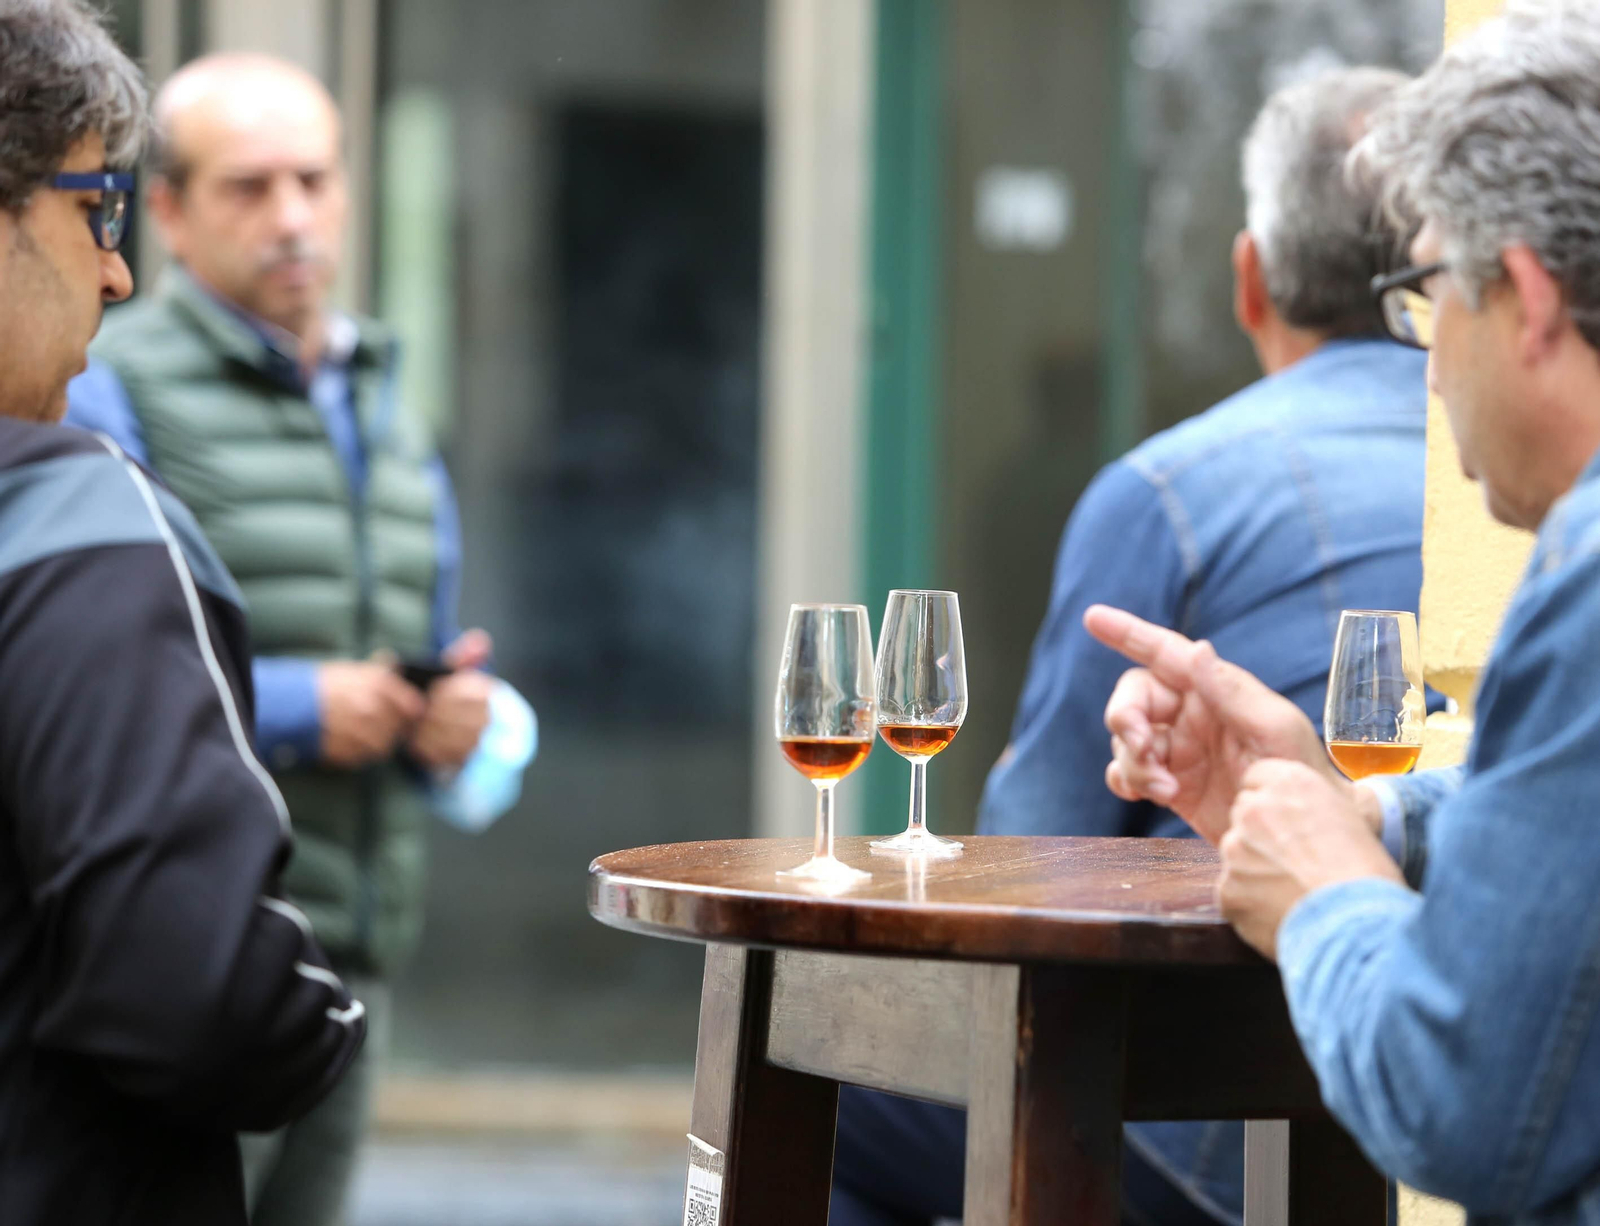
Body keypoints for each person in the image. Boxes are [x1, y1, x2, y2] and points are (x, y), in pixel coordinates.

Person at [831, 66, 1427, 1226]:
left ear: (1250, 279)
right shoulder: (1522, 488)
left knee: (829, 1099)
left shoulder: (1168, 488)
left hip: (1214, 1130)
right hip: (1418, 1103)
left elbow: (1028, 861)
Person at [1090, 4, 1600, 1223]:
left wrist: (1324, 892)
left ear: (1523, 296)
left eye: (1427, 299)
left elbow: (1458, 1104)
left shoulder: (1584, 574)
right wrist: (1353, 806)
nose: (1423, 366)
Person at [65, 52, 494, 1226]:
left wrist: (457, 714)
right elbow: (86, 685)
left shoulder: (384, 396)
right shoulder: (106, 389)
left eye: (313, 179)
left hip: (357, 950)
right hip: (197, 955)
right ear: (166, 211)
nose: (292, 216)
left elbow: (433, 639)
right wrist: (310, 705)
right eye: (248, 187)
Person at [0, 3, 365, 1223]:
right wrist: (319, 1013)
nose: (111, 270)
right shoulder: (78, 498)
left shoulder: (377, 394)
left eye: (316, 178)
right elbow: (191, 984)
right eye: (93, 206)